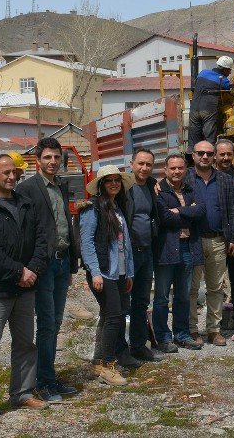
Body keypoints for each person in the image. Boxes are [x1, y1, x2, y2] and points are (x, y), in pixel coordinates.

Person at [0, 154, 48, 421]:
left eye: (14, 172)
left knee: (26, 343)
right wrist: (18, 272)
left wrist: (33, 270)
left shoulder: (26, 205)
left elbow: (41, 240)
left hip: (25, 289)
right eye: (5, 172)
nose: (11, 177)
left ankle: (23, 393)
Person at [15, 137, 78, 403]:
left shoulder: (60, 186)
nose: (52, 162)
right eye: (47, 157)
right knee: (47, 323)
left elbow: (64, 223)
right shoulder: (28, 188)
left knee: (57, 322)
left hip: (63, 261)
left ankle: (49, 375)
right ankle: (44, 381)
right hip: (44, 264)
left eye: (56, 157)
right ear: (37, 160)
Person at [77, 165, 135, 387]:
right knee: (114, 316)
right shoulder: (93, 209)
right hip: (103, 272)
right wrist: (95, 272)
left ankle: (98, 360)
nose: (113, 184)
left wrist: (128, 272)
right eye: (109, 180)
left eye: (116, 180)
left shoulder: (117, 208)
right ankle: (108, 365)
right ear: (100, 185)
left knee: (109, 315)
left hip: (118, 272)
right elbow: (87, 242)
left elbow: (124, 245)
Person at [186, 139, 234, 347]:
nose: (205, 157)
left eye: (209, 153)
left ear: (214, 156)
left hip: (217, 241)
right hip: (194, 241)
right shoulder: (186, 177)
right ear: (194, 156)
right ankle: (191, 329)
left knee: (216, 288)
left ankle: (213, 330)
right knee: (191, 288)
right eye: (201, 153)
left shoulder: (225, 180)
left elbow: (233, 211)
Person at [153, 153, 204, 352]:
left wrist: (178, 211)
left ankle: (182, 335)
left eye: (180, 168)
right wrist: (187, 212)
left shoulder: (191, 189)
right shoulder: (159, 191)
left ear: (185, 170)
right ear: (165, 170)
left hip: (187, 248)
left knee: (183, 296)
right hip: (166, 249)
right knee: (162, 297)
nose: (176, 172)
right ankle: (163, 337)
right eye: (172, 168)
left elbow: (201, 211)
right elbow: (164, 218)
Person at [123, 148, 162, 363]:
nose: (144, 168)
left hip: (146, 253)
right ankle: (119, 349)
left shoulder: (149, 185)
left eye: (148, 164)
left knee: (141, 301)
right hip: (129, 253)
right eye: (140, 163)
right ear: (131, 164)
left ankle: (138, 346)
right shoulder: (124, 188)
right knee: (122, 303)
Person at [214, 138, 234, 329]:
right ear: (215, 156)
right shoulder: (207, 175)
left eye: (229, 154)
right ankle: (216, 322)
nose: (226, 158)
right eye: (222, 154)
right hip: (216, 237)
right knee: (215, 282)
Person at [188, 56, 233, 147]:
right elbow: (230, 90)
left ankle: (192, 157)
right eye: (229, 70)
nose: (230, 73)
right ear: (224, 69)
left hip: (194, 109)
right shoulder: (223, 80)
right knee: (209, 137)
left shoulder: (203, 73)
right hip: (208, 110)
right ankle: (209, 155)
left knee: (194, 137)